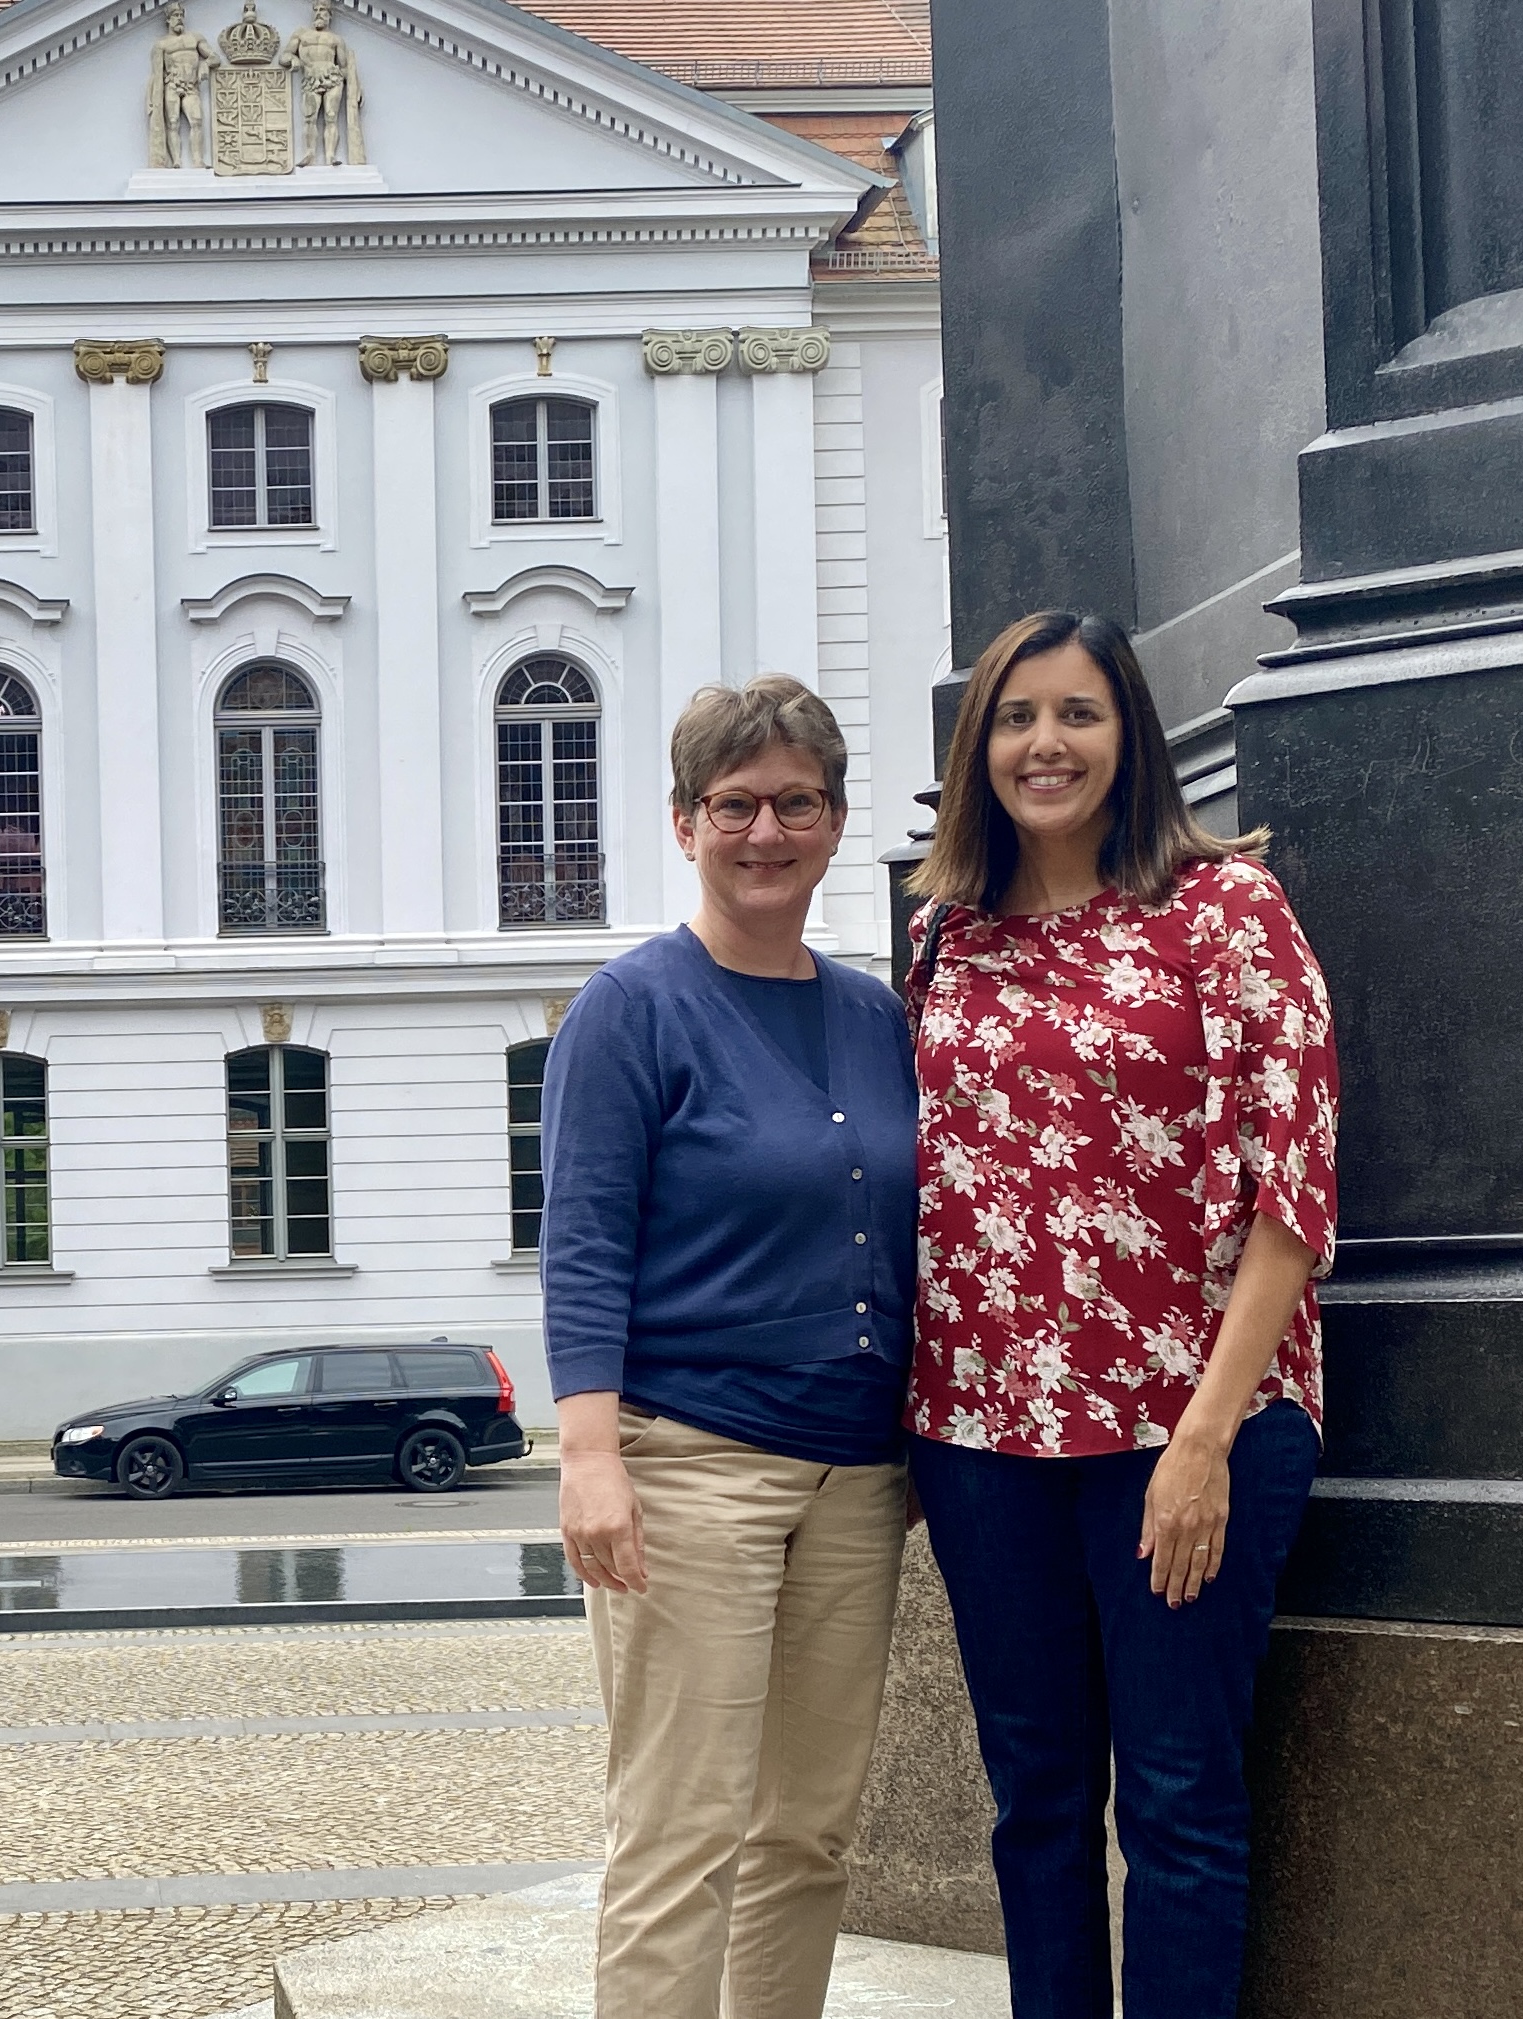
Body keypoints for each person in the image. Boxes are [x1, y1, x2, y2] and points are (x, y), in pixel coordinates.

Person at [901, 611, 1339, 2019]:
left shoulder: (1225, 907)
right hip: (980, 1436)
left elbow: (1296, 1183)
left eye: (1078, 712)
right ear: (981, 750)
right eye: (1017, 716)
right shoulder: (943, 934)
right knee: (1034, 1802)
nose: (1047, 743)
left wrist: (1207, 1437)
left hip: (1183, 1426)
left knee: (1177, 1799)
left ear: (1128, 733)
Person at [544, 677, 918, 2019]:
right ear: (686, 822)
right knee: (681, 1831)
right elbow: (582, 1238)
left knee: (807, 1830)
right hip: (690, 1463)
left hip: (855, 1476)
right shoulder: (632, 1008)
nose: (768, 828)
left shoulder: (878, 1016)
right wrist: (589, 1453)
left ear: (830, 820)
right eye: (736, 803)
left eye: (797, 801)